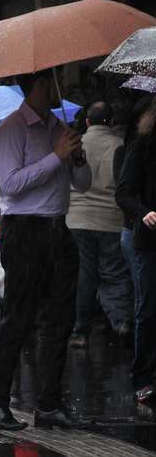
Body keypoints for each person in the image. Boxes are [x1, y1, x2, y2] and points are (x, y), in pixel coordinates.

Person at [0, 69, 91, 431]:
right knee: (18, 319)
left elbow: (83, 184)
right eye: (53, 80)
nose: (60, 84)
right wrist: (56, 156)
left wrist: (76, 157)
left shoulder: (58, 127)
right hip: (25, 231)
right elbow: (11, 185)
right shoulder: (11, 130)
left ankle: (48, 403)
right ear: (39, 85)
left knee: (59, 321)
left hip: (58, 229)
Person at [67, 101, 133, 348]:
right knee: (113, 272)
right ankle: (120, 322)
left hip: (76, 219)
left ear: (87, 122)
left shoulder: (76, 144)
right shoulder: (119, 145)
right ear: (112, 122)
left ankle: (80, 328)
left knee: (85, 273)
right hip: (109, 220)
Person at [115, 99, 156, 404]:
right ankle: (142, 375)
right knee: (148, 307)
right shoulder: (142, 147)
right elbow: (124, 193)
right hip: (146, 238)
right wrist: (145, 212)